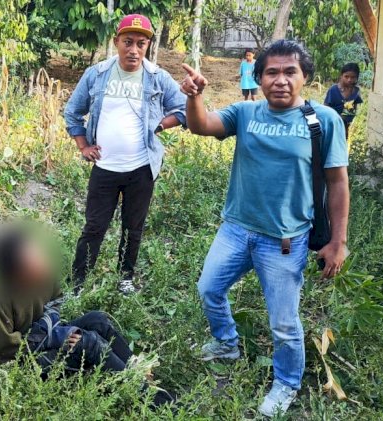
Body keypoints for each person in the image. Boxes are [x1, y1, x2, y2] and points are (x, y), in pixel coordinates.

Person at [180, 40, 350, 417]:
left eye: (290, 72)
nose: (281, 80)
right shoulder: (245, 112)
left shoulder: (324, 120)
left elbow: (337, 182)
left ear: (305, 77)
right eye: (272, 72)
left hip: (285, 242)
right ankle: (226, 343)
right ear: (259, 78)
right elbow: (202, 125)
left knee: (285, 324)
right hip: (237, 229)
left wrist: (338, 241)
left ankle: (286, 383)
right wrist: (195, 97)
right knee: (208, 288)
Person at [0, 223, 174, 406]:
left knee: (97, 320)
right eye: (33, 258)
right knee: (88, 342)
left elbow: (56, 304)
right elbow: (8, 352)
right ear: (17, 272)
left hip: (44, 337)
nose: (42, 259)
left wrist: (58, 334)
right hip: (24, 365)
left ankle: (137, 370)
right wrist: (56, 339)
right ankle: (149, 398)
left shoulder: (42, 277)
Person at [64, 14, 186, 295]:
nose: (134, 49)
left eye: (141, 44)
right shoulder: (97, 74)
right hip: (105, 167)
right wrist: (83, 146)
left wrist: (159, 124)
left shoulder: (157, 77)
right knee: (95, 226)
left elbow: (182, 110)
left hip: (141, 169)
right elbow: (73, 112)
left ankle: (125, 277)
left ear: (148, 46)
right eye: (128, 42)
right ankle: (79, 281)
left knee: (133, 227)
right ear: (116, 41)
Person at [324, 63, 363, 139]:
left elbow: (353, 110)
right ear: (341, 76)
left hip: (346, 128)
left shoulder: (356, 92)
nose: (349, 80)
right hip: (332, 125)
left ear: (357, 77)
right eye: (346, 76)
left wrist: (348, 126)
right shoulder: (333, 90)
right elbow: (326, 109)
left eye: (353, 77)